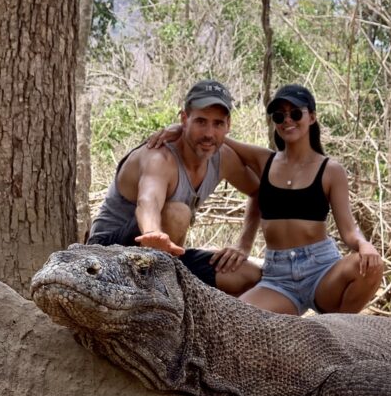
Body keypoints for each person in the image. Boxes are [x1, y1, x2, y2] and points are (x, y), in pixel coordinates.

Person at [150, 83, 383, 314]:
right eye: (280, 116)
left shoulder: (331, 170)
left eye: (295, 113)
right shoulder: (265, 160)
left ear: (311, 117)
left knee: (370, 267)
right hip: (278, 280)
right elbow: (217, 138)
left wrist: (364, 245)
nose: (287, 120)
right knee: (234, 320)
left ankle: (340, 329)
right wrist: (179, 129)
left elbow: (350, 230)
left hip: (321, 271)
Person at [87, 79, 261, 296]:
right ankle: (157, 301)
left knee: (251, 275)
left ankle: (176, 296)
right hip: (108, 251)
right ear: (184, 119)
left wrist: (243, 245)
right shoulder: (159, 156)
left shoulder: (223, 157)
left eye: (217, 124)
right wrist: (152, 234)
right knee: (178, 213)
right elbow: (148, 201)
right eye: (200, 122)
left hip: (167, 257)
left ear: (228, 125)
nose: (209, 133)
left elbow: (258, 191)